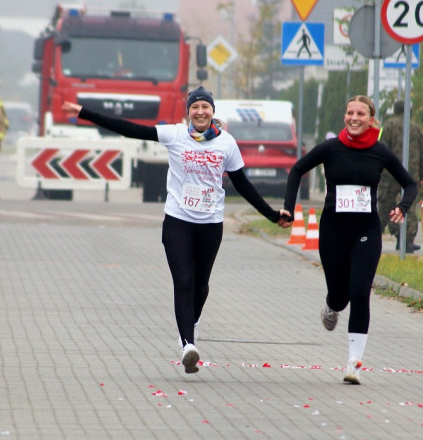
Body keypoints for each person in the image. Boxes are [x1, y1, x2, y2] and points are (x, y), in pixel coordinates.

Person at [63, 86, 290, 374]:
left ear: (212, 112)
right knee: (183, 281)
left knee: (201, 286)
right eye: (195, 107)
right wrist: (84, 113)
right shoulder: (175, 135)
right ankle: (187, 345)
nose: (200, 111)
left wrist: (271, 215)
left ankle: (190, 325)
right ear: (188, 112)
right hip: (178, 220)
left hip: (210, 223)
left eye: (205, 107)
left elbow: (242, 184)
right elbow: (131, 129)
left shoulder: (227, 144)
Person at [280, 95, 418, 385]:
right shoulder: (331, 148)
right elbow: (296, 170)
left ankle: (354, 364)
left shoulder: (380, 151)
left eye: (361, 114)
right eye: (350, 113)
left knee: (360, 292)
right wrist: (289, 208)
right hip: (333, 230)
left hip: (366, 229)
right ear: (345, 117)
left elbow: (410, 183)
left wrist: (402, 207)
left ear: (371, 119)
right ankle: (331, 305)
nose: (354, 118)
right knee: (341, 296)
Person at [377, 101, 423, 253]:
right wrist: (422, 174)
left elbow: (381, 149)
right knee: (409, 207)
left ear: (395, 110)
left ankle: (373, 236)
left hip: (390, 173)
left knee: (385, 205)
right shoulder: (417, 128)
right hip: (411, 175)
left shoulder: (388, 126)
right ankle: (407, 241)